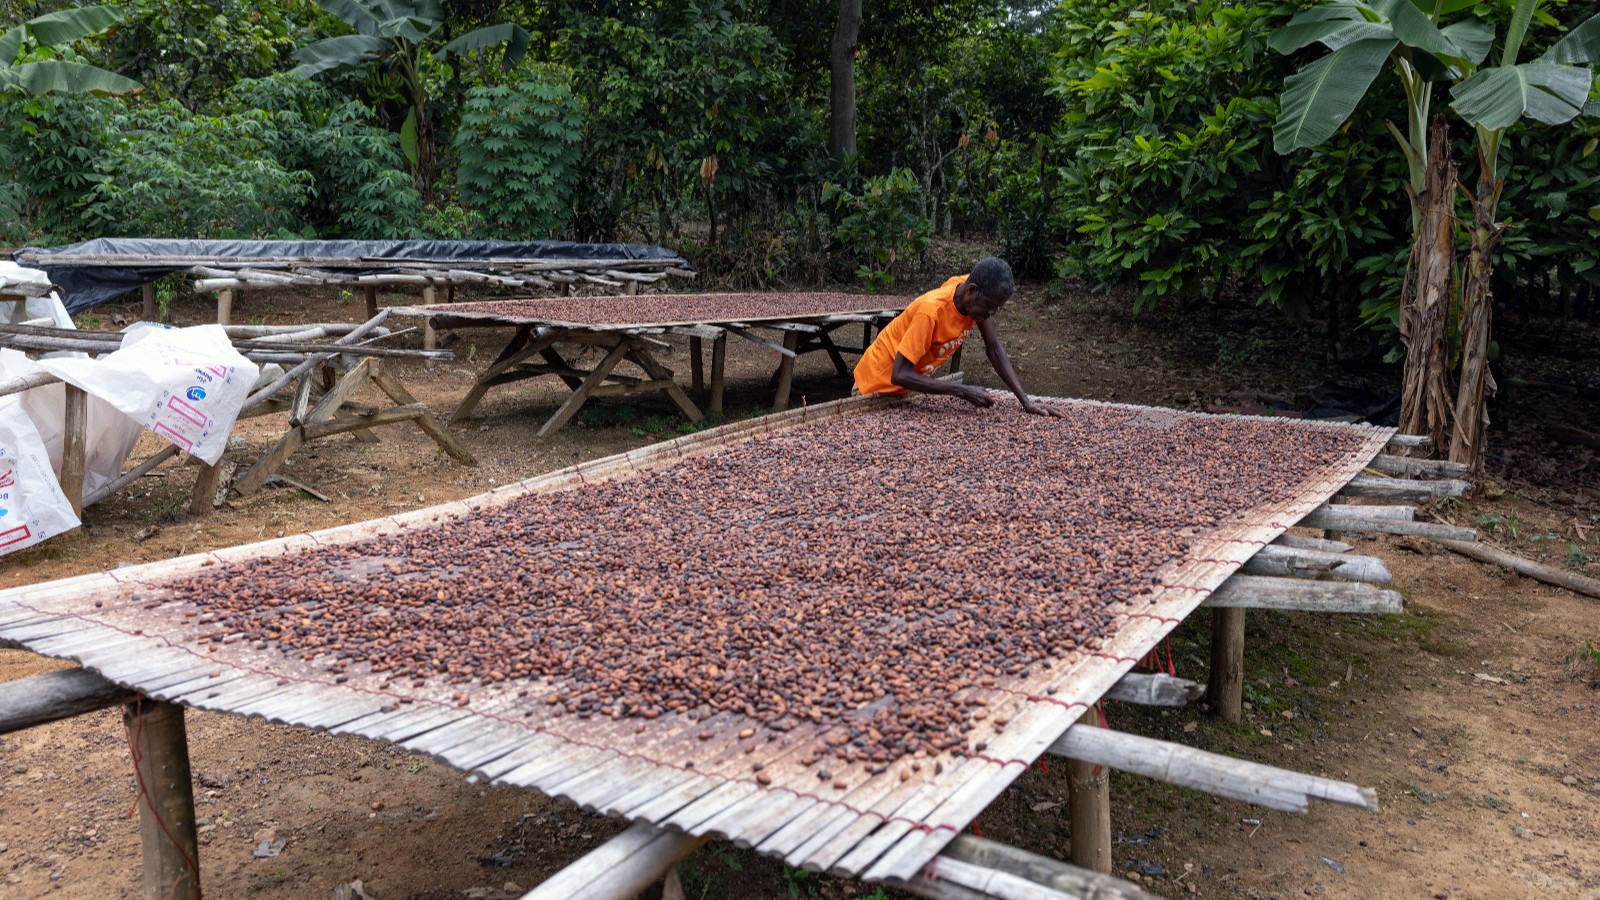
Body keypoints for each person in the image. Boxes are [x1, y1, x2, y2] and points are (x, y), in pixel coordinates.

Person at [852, 257, 1061, 416]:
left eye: (997, 308)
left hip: (904, 393)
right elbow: (899, 374)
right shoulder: (930, 312)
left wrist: (1025, 401)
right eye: (989, 306)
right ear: (971, 290)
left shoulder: (970, 293)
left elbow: (994, 348)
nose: (991, 314)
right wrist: (961, 391)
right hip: (874, 388)